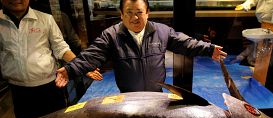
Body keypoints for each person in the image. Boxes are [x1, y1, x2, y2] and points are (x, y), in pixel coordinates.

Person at [55, 0, 227, 92]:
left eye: (139, 13)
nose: (134, 18)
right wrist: (70, 70)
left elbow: (186, 43)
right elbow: (92, 55)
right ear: (121, 15)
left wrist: (209, 49)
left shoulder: (162, 31)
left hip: (156, 95)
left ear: (148, 13)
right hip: (128, 97)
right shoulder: (111, 35)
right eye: (129, 13)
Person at [0, 0, 102, 118]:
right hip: (18, 89)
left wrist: (82, 67)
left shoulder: (45, 19)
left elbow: (61, 49)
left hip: (50, 86)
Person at [234, 0, 273, 66]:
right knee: (260, 42)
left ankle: (264, 66)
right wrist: (245, 5)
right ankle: (255, 62)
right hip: (263, 20)